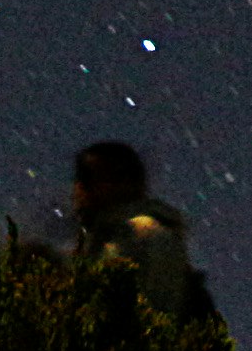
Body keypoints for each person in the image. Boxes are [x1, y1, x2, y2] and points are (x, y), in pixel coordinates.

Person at [69, 138, 215, 322]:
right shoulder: (103, 237)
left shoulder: (143, 236)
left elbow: (157, 313)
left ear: (126, 183)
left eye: (87, 178)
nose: (78, 190)